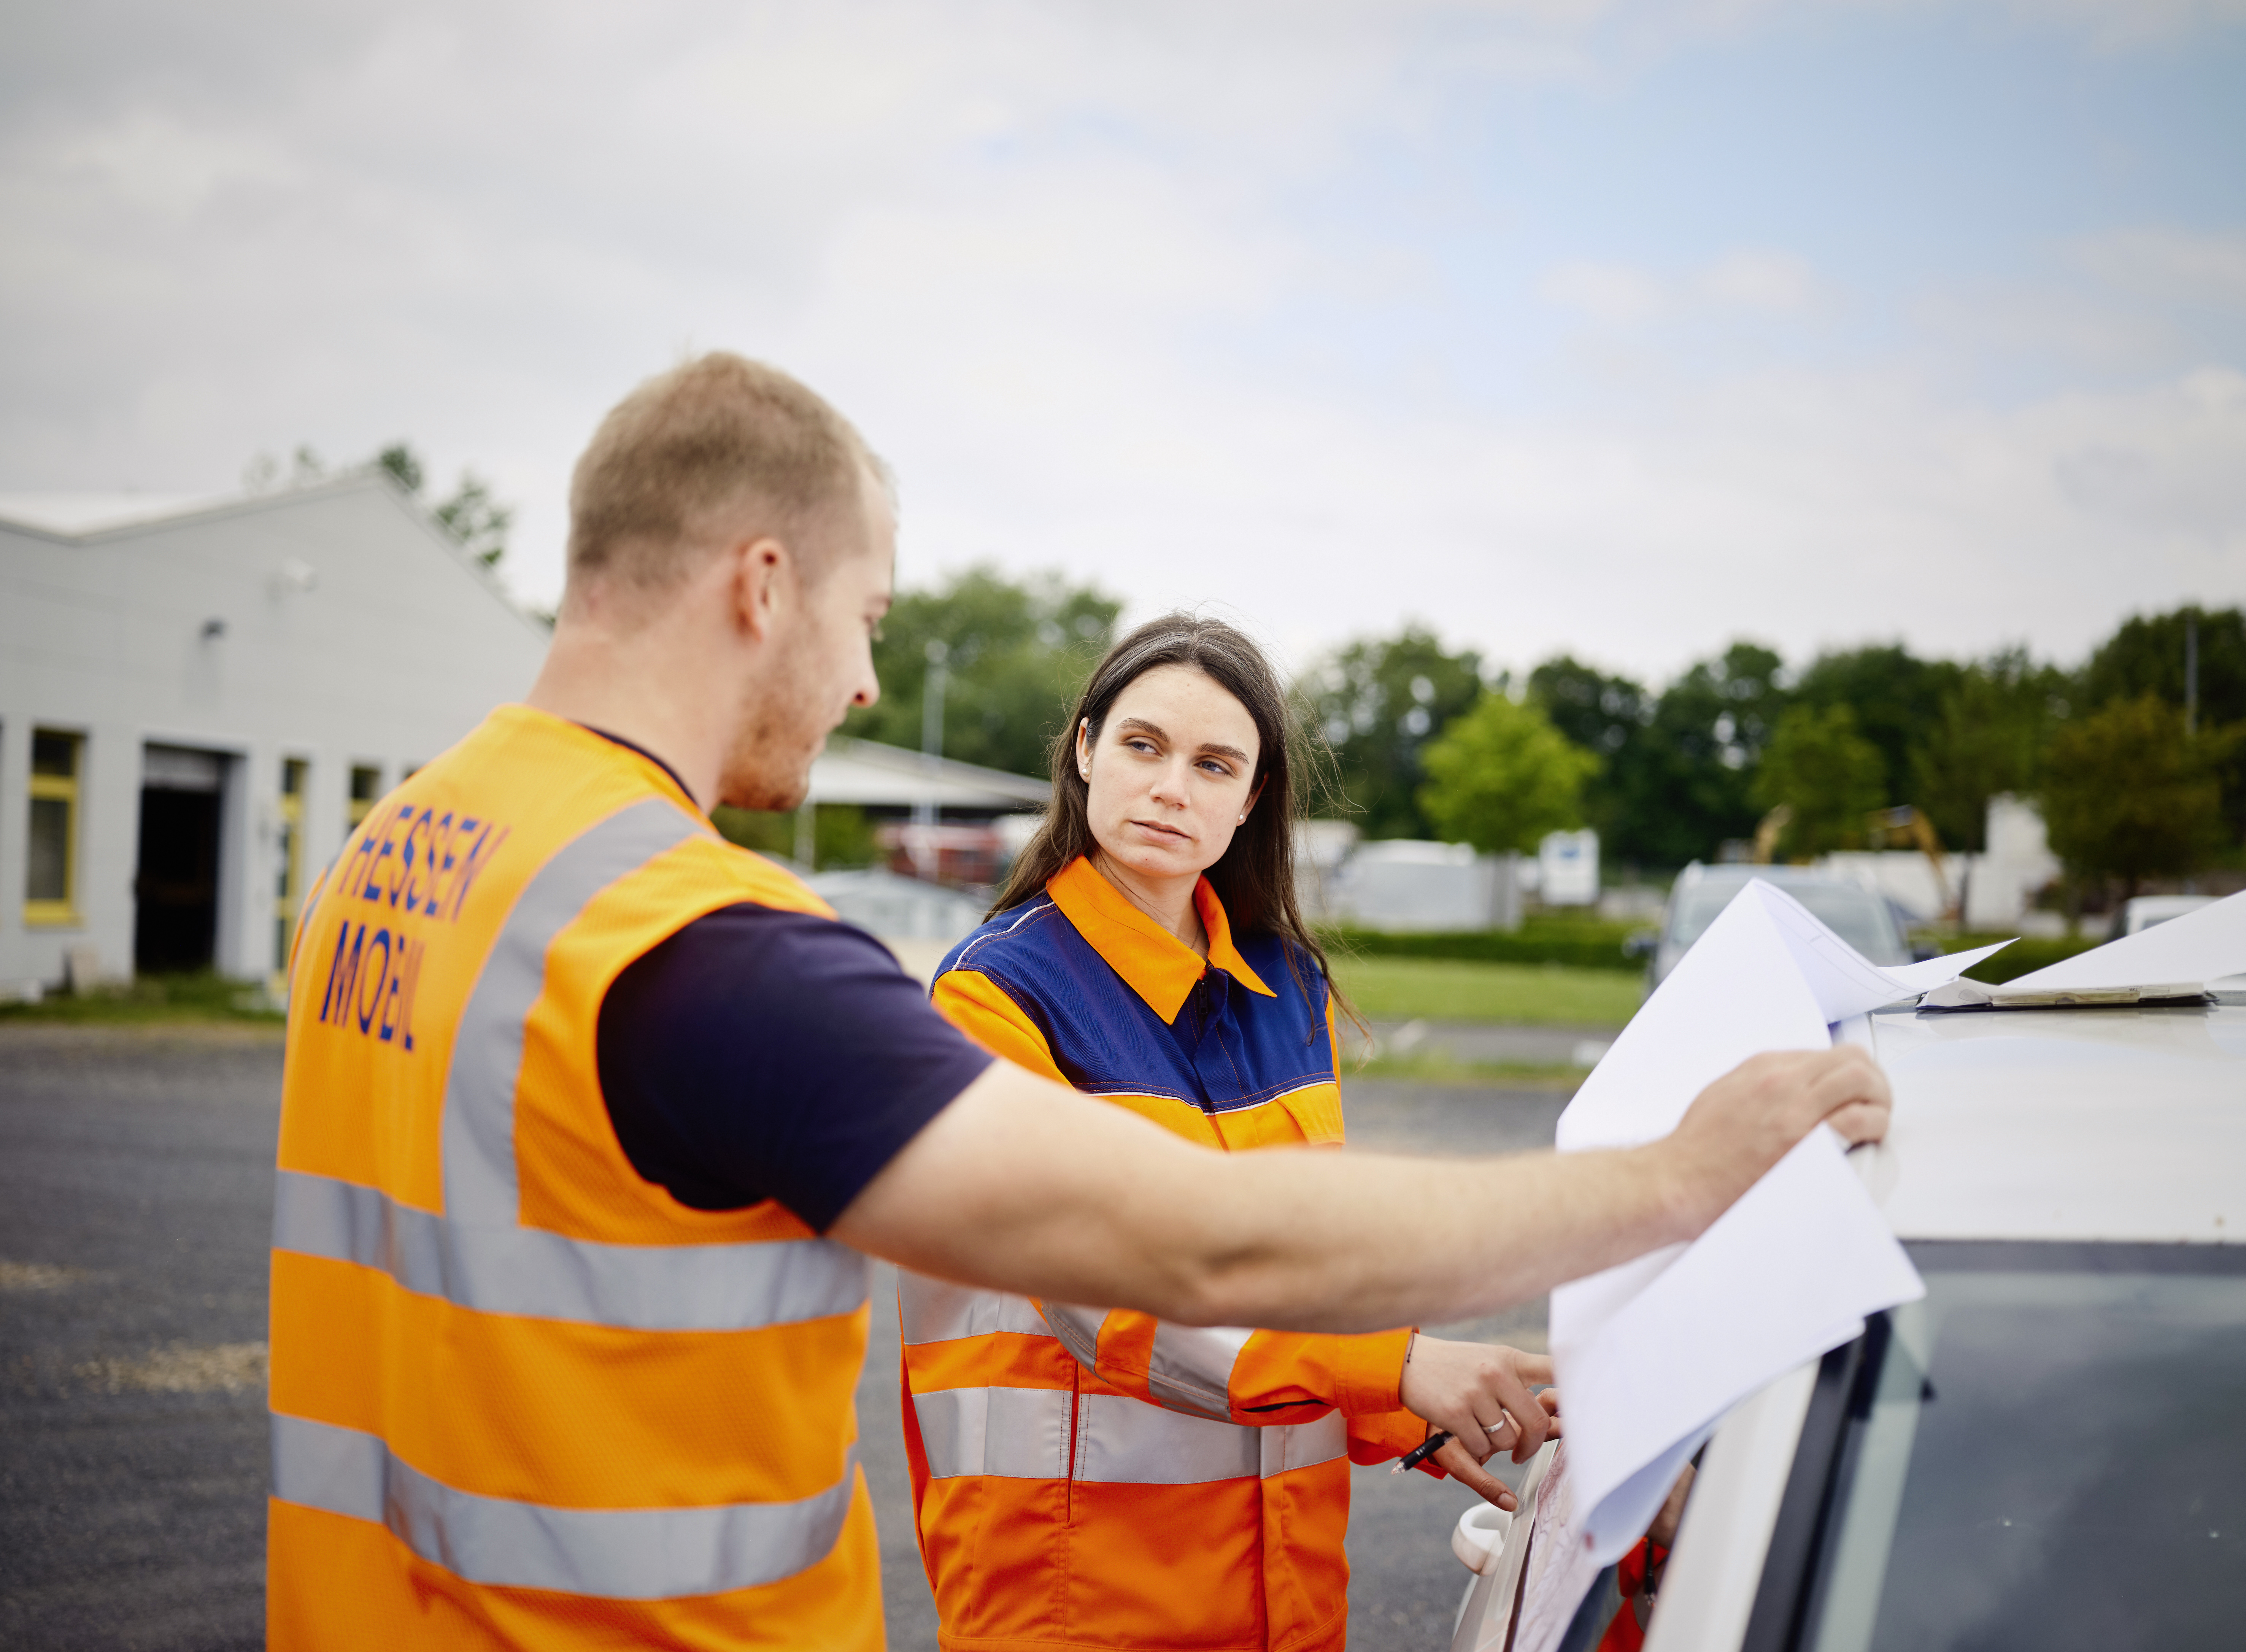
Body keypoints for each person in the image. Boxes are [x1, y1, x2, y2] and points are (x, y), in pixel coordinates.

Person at [266, 351, 1893, 1652]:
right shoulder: (709, 947)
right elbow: (1199, 1252)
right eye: (872, 618)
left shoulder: (402, 856)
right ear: (763, 585)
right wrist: (1674, 1183)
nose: (865, 682)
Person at [901, 613, 1558, 1651]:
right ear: (1083, 751)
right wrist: (1392, 1366)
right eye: (1143, 746)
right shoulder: (993, 997)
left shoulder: (1284, 988)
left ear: (1251, 801)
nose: (1172, 788)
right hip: (1074, 1585)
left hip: (1286, 1583)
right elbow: (1109, 1292)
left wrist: (1413, 1412)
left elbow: (1306, 1264)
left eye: (1214, 765)